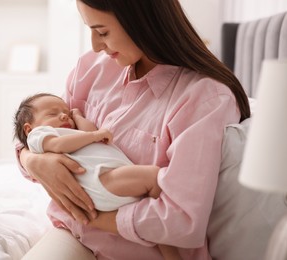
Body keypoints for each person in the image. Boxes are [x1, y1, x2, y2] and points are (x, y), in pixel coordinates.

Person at [16, 0, 251, 259]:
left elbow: (180, 219)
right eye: (90, 30)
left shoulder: (203, 98)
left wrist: (91, 216)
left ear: (142, 21)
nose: (95, 45)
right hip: (73, 236)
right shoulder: (91, 68)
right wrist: (33, 161)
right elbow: (36, 129)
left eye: (103, 32)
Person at [14, 92, 181, 260]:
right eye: (52, 113)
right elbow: (59, 145)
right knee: (153, 177)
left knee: (155, 203)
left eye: (66, 111)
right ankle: (171, 253)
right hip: (100, 181)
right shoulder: (39, 135)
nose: (64, 115)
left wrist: (77, 117)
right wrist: (93, 136)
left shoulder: (75, 133)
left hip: (105, 182)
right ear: (28, 128)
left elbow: (92, 131)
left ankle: (168, 248)